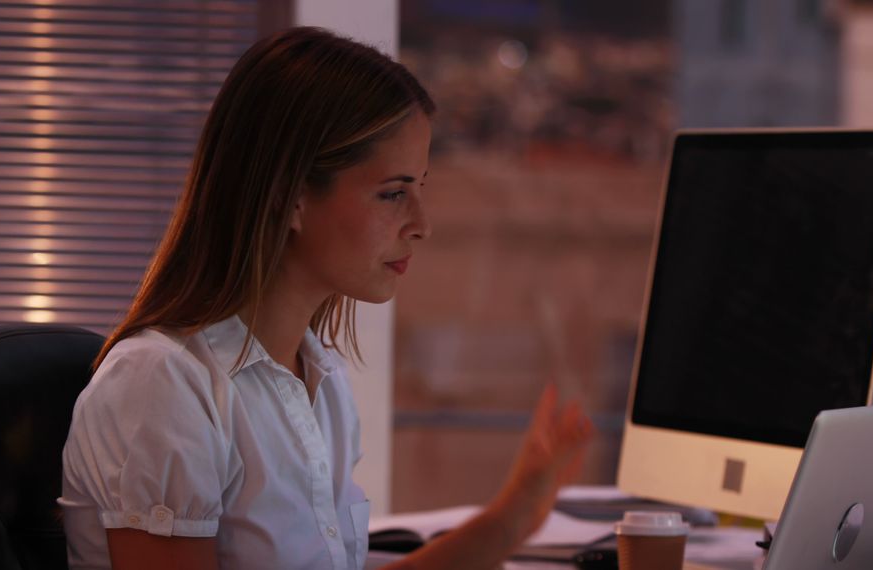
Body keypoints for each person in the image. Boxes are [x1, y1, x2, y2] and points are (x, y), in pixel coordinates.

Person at [59, 26, 593, 570]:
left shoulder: (319, 380)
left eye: (420, 189)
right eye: (393, 193)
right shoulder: (166, 386)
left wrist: (513, 516)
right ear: (288, 199)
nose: (421, 225)